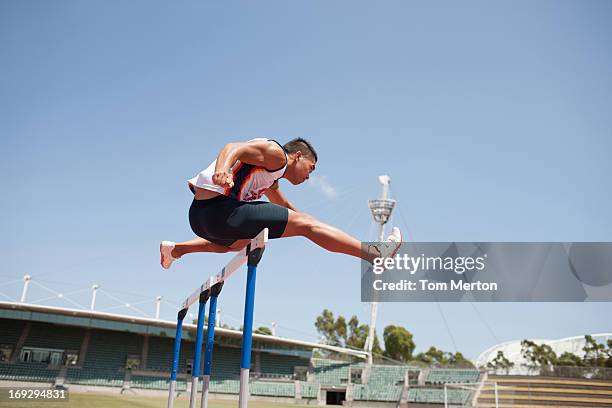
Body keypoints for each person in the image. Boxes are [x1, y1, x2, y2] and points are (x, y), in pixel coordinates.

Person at [160, 138, 401, 269]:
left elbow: (284, 207)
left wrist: (310, 226)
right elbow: (233, 147)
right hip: (217, 211)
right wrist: (223, 169)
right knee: (305, 224)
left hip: (201, 220)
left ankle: (177, 249)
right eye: (310, 168)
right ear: (297, 156)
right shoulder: (275, 154)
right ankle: (375, 253)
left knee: (238, 244)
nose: (309, 176)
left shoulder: (270, 178)